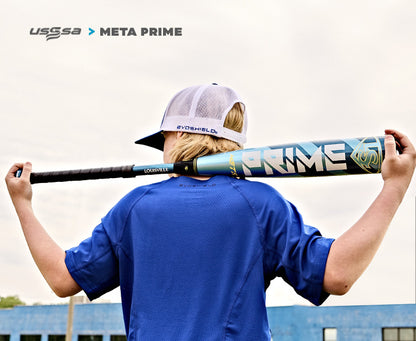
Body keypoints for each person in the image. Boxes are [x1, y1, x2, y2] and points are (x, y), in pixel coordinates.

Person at [5, 83, 416, 340]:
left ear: (182, 133)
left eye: (164, 136)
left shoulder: (135, 208)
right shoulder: (260, 204)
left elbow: (62, 279)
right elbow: (337, 275)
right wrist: (394, 188)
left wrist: (23, 205)